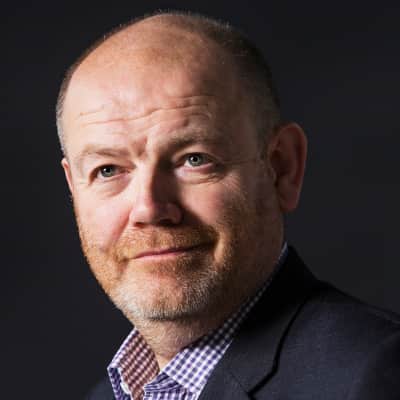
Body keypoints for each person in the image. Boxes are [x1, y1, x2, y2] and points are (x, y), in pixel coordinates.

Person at [56, 11, 400, 400]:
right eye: (107, 170)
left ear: (281, 168)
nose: (149, 208)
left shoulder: (374, 377)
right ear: (73, 188)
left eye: (194, 159)